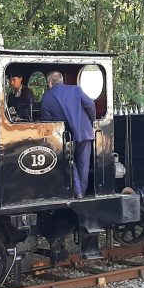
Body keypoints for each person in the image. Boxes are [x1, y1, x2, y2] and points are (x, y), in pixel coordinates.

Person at [39, 70, 96, 198]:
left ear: (50, 83)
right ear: (62, 80)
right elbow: (91, 104)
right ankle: (82, 191)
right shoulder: (76, 90)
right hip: (84, 130)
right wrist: (91, 120)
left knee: (70, 162)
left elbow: (47, 122)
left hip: (64, 134)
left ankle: (77, 192)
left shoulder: (47, 97)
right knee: (84, 163)